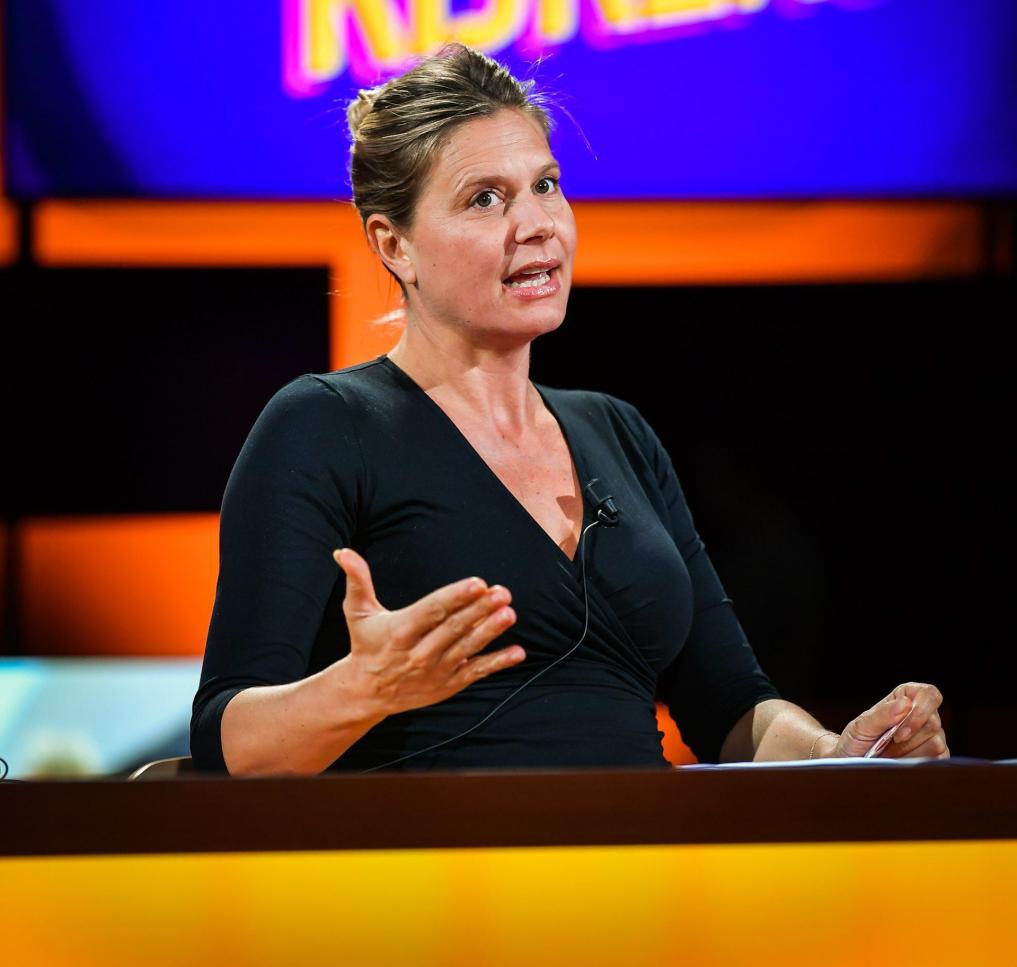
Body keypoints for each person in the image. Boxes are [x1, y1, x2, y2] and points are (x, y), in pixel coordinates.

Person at [190, 43, 949, 776]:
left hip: (641, 851)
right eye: (485, 198)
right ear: (395, 246)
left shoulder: (617, 431)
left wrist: (841, 752)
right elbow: (230, 741)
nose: (538, 224)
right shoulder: (325, 426)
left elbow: (730, 707)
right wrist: (361, 690)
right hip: (436, 857)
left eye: (545, 185)